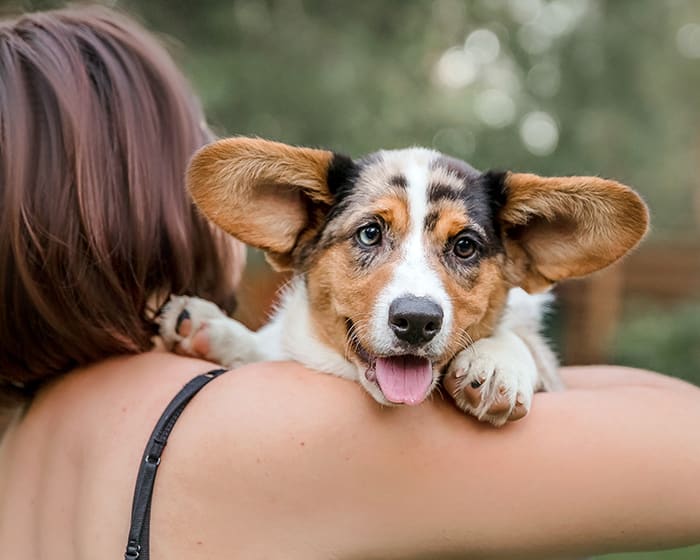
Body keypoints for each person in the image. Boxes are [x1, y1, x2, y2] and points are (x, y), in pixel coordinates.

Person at [0, 6, 698, 560]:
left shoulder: (18, 439)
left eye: (460, 246)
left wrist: (506, 349)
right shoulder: (310, 432)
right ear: (143, 202)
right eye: (203, 140)